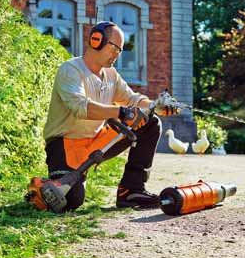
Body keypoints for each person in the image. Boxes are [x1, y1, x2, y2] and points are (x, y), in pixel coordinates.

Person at [43, 21, 177, 211]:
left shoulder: (111, 75)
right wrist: (121, 112)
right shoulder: (71, 70)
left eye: (120, 50)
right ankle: (42, 188)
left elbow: (132, 99)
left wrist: (156, 106)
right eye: (114, 48)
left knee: (150, 122)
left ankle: (131, 191)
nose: (117, 54)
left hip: (96, 140)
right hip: (65, 144)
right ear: (96, 40)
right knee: (72, 199)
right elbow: (80, 107)